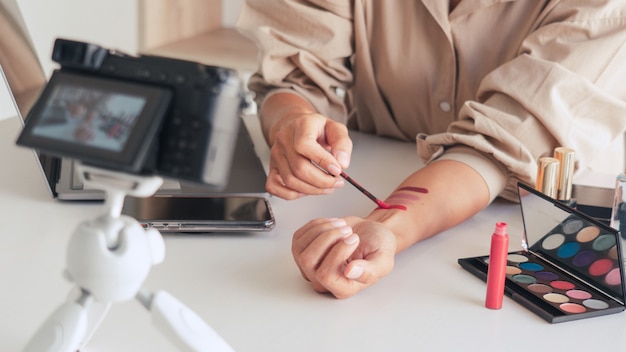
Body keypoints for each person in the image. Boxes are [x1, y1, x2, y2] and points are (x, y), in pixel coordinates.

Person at [236, 1, 626, 299]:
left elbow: (502, 144)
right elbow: (293, 74)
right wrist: (292, 121)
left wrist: (388, 229)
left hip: (559, 221)